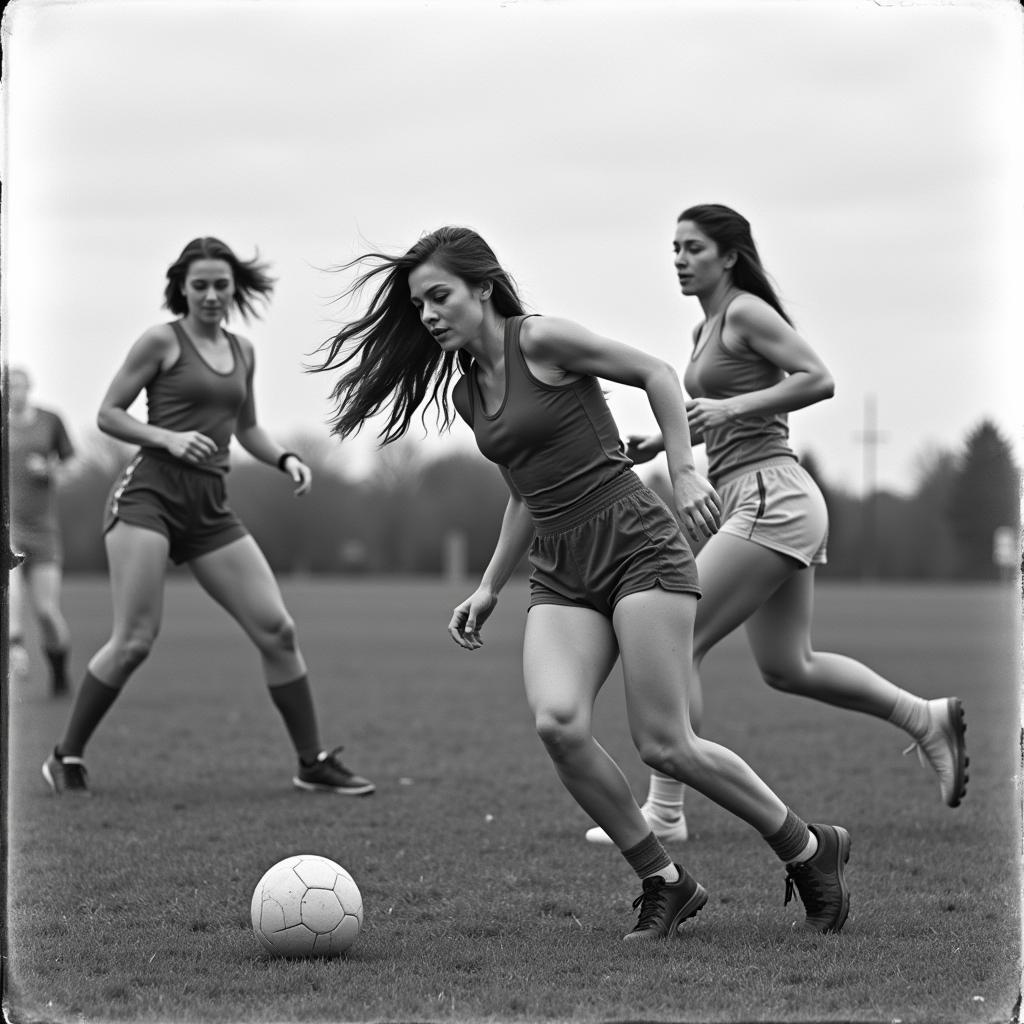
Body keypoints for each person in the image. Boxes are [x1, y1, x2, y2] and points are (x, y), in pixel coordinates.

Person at [310, 225, 852, 940]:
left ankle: (809, 849)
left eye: (439, 296)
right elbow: (525, 490)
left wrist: (686, 468)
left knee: (665, 744)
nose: (430, 314)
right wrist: (488, 585)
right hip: (562, 567)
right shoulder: (471, 391)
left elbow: (659, 373)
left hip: (635, 545)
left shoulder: (542, 341)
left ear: (482, 286)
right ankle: (664, 879)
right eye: (419, 306)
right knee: (558, 724)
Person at [584, 204, 967, 847]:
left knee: (675, 635)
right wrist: (657, 444)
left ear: (729, 256)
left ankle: (666, 813)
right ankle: (925, 718)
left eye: (694, 248)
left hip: (771, 496)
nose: (678, 259)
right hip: (754, 498)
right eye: (674, 248)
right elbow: (709, 417)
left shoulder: (743, 312)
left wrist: (730, 406)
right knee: (789, 664)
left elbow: (818, 379)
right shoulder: (704, 329)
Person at [41, 237, 374, 800]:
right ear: (183, 289)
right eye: (201, 285)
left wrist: (285, 458)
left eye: (222, 284)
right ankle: (65, 756)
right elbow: (107, 414)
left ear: (233, 287)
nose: (213, 295)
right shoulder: (160, 341)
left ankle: (312, 762)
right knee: (135, 640)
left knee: (278, 629)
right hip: (147, 498)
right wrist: (166, 437)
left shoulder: (243, 351)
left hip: (209, 509)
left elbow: (246, 429)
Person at [7, 366, 75, 696]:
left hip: (44, 529)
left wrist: (49, 468)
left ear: (29, 388)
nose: (14, 393)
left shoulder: (50, 420)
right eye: (9, 387)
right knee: (12, 592)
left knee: (47, 612)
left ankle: (59, 672)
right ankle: (16, 646)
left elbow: (70, 462)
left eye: (19, 386)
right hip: (10, 527)